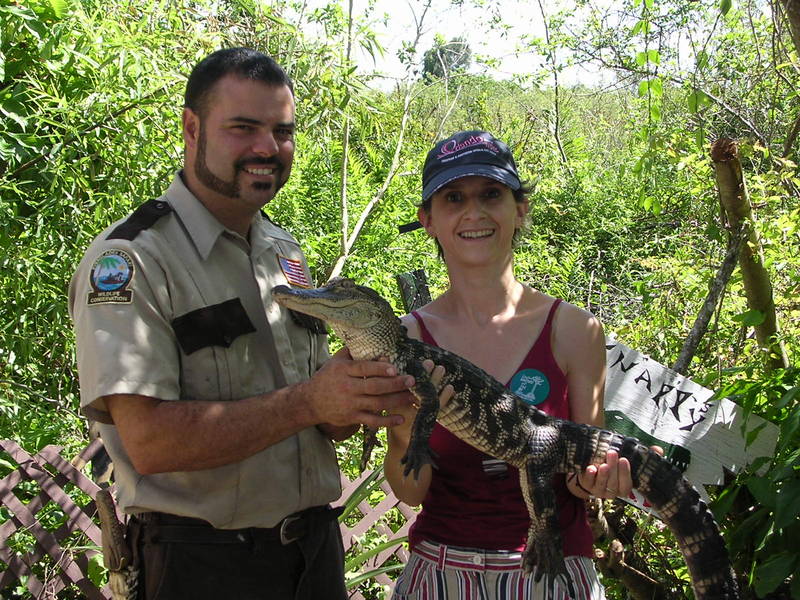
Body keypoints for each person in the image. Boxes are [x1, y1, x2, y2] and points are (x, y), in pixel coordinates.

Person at [69, 47, 420, 600]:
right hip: (204, 567)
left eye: (283, 131)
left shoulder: (285, 251)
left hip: (315, 555)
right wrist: (310, 402)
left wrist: (353, 399)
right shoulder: (132, 261)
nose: (267, 148)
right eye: (243, 128)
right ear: (192, 127)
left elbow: (317, 424)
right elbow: (148, 444)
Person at [385, 130, 637, 599]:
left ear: (519, 210)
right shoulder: (408, 339)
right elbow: (411, 491)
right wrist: (406, 428)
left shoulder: (574, 330)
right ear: (428, 220)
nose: (474, 212)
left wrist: (602, 477)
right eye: (453, 198)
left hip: (554, 573)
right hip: (441, 575)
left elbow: (583, 480)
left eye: (491, 195)